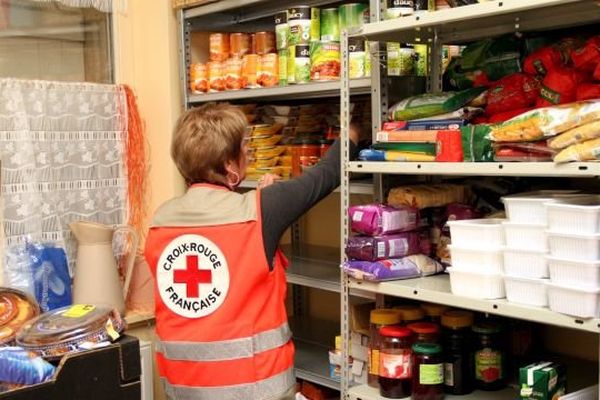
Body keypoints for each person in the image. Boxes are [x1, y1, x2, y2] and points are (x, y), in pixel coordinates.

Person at [144, 103, 359, 400]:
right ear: (230, 164)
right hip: (256, 391)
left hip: (184, 392)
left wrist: (262, 201)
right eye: (244, 147)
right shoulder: (262, 210)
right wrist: (352, 132)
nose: (250, 153)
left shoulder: (160, 220)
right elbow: (327, 173)